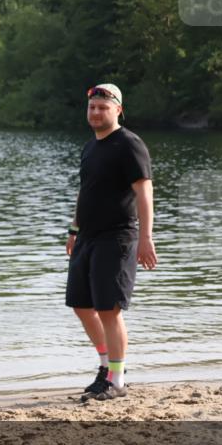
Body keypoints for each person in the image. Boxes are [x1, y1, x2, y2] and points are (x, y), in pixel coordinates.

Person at [66, 83, 156, 401]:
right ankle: (106, 367)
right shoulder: (90, 147)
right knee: (81, 305)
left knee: (109, 309)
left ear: (118, 109)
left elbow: (144, 192)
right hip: (87, 236)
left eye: (103, 107)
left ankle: (116, 380)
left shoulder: (129, 144)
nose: (96, 112)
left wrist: (146, 238)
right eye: (92, 107)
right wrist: (74, 230)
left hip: (117, 237)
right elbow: (85, 189)